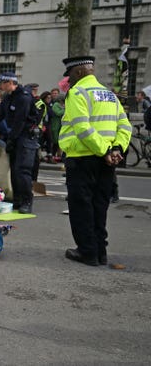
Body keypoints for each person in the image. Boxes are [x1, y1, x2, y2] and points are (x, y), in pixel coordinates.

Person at [58, 56, 131, 266]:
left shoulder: (78, 92)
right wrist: (116, 148)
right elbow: (125, 126)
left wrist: (105, 149)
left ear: (79, 72)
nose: (68, 80)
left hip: (83, 159)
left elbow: (82, 128)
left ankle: (87, 252)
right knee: (100, 206)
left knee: (82, 207)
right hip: (106, 162)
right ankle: (101, 251)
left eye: (70, 75)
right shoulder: (110, 95)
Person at [0, 72, 40, 213]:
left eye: (2, 83)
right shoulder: (8, 98)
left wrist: (12, 139)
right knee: (13, 170)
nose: (0, 86)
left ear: (10, 83)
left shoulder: (23, 97)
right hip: (15, 136)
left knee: (22, 170)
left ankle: (26, 201)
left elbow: (20, 120)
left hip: (25, 137)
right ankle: (17, 200)